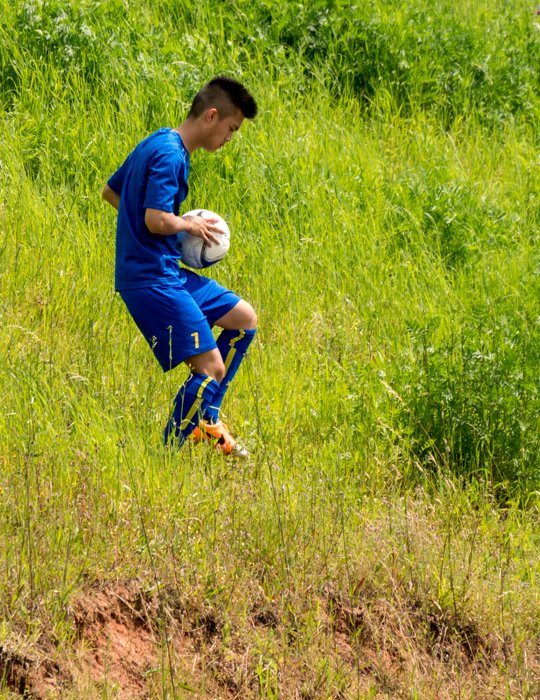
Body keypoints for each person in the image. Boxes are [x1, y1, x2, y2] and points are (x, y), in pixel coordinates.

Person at [102, 76, 258, 458]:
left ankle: (208, 420)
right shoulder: (171, 155)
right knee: (211, 368)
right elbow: (156, 219)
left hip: (165, 269)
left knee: (243, 318)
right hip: (151, 279)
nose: (229, 138)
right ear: (212, 115)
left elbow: (111, 192)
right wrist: (187, 225)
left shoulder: (157, 140)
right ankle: (168, 453)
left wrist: (151, 235)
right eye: (231, 129)